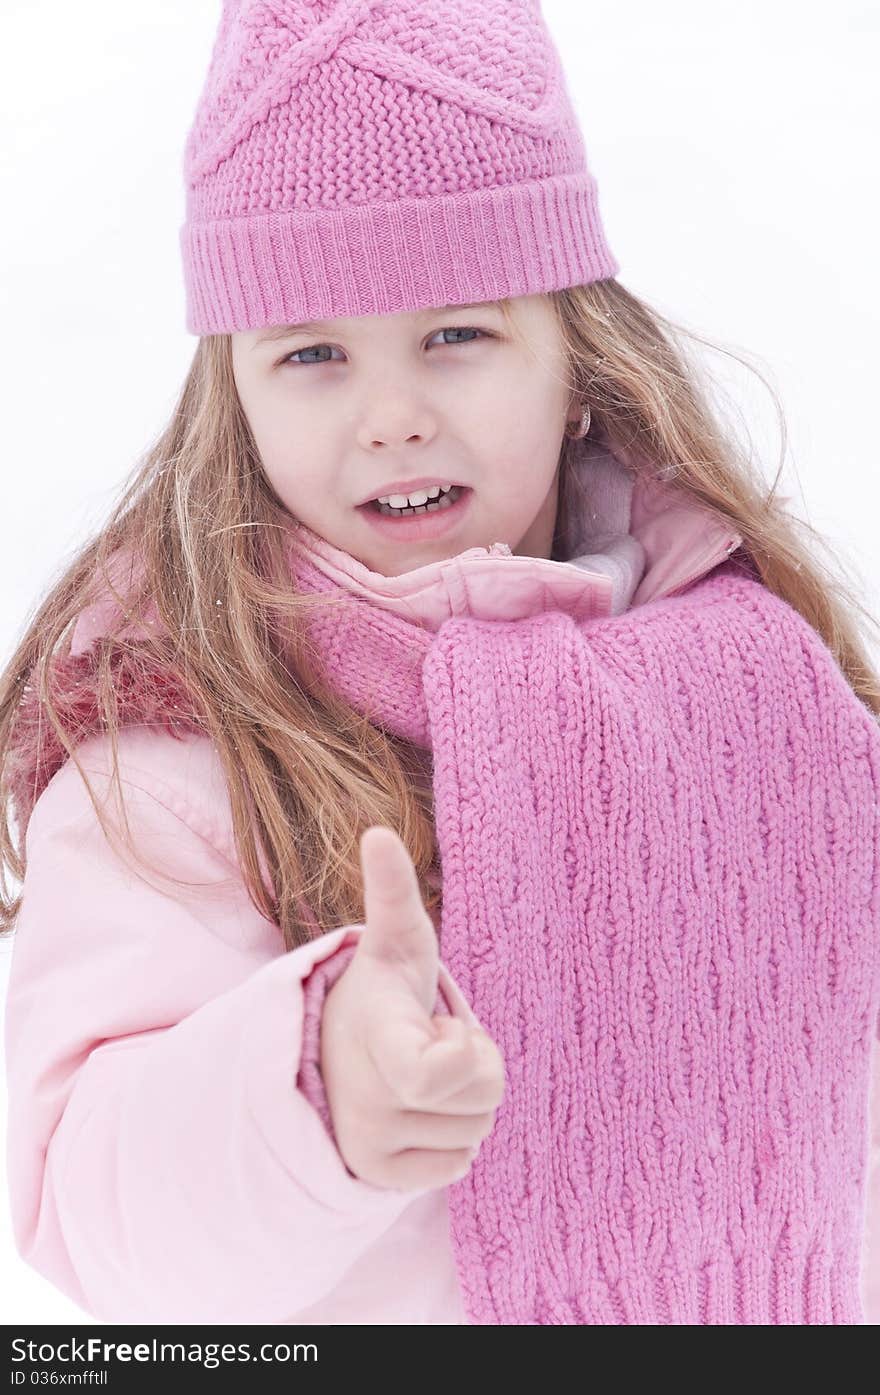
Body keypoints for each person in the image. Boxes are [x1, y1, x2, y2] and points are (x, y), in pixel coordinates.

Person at [2, 0, 879, 1326]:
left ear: (570, 354)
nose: (393, 417)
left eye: (455, 334)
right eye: (312, 354)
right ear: (233, 394)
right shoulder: (186, 745)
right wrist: (312, 1090)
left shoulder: (756, 680)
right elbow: (87, 1206)